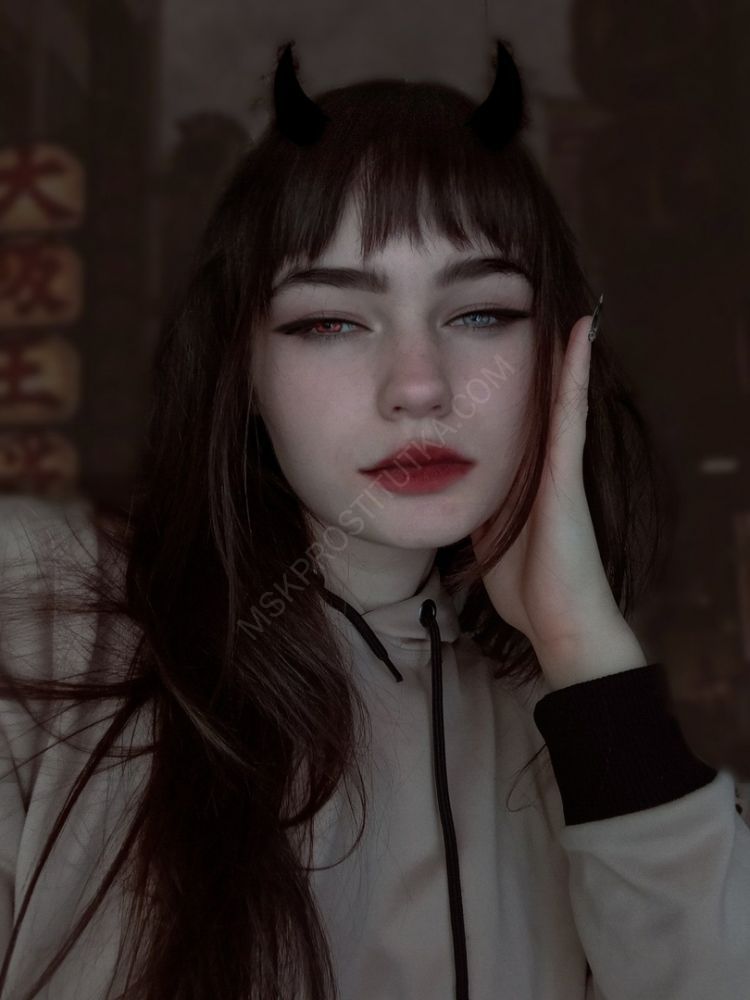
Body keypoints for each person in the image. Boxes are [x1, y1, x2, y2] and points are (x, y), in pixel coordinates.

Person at [1, 37, 748, 1000]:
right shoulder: (41, 608)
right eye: (329, 321)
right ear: (241, 367)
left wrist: (585, 652)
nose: (420, 387)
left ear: (566, 353)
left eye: (481, 313)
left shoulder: (566, 714)